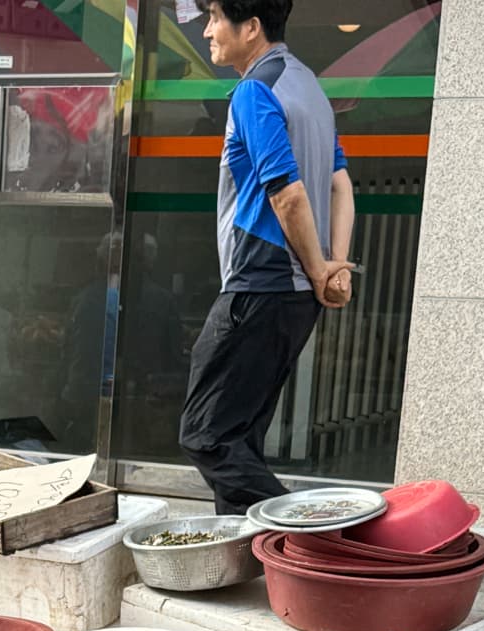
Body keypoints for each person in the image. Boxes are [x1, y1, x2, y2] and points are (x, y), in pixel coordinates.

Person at [178, 0, 355, 514]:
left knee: (205, 435)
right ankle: (248, 554)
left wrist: (320, 266)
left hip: (259, 284)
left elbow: (289, 195)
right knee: (241, 436)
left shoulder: (255, 91)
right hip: (298, 297)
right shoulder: (309, 89)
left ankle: (311, 530)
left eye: (216, 19)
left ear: (251, 28)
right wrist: (331, 266)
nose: (208, 30)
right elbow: (341, 185)